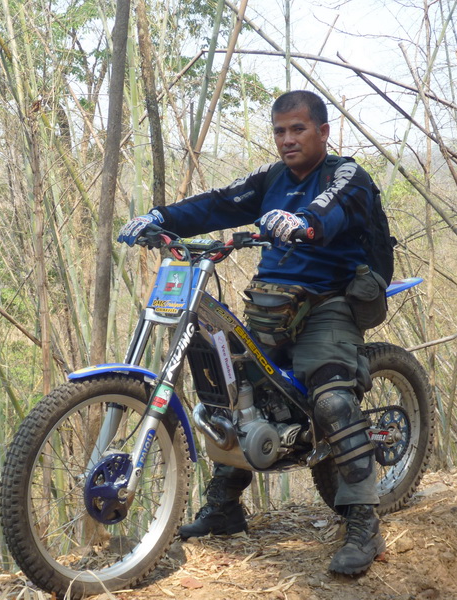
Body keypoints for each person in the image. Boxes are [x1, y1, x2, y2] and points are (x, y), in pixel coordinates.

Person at [117, 90, 386, 576]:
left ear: (323, 131)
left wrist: (302, 223)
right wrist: (160, 217)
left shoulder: (346, 175)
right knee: (232, 392)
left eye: (298, 129)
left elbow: (330, 211)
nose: (288, 139)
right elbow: (219, 203)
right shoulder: (271, 178)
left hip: (330, 302)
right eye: (280, 130)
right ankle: (224, 506)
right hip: (271, 304)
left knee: (331, 399)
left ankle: (363, 521)